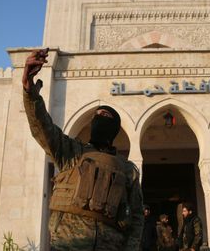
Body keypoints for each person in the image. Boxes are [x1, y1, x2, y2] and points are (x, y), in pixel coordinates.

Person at [22, 48, 144, 251]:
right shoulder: (72, 152)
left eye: (104, 116)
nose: (98, 120)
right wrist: (29, 90)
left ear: (114, 128)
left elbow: (137, 220)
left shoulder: (127, 169)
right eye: (96, 116)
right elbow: (42, 127)